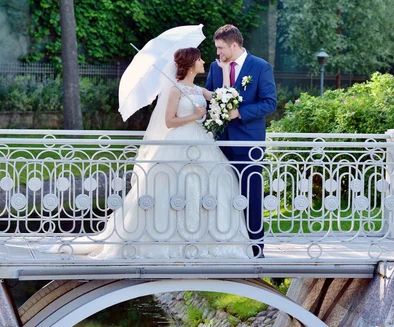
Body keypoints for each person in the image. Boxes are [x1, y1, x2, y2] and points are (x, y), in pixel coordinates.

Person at [44, 47, 251, 260]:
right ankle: (167, 240)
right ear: (190, 65)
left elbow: (221, 97)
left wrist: (226, 71)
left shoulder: (199, 90)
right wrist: (195, 116)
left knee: (206, 186)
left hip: (202, 143)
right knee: (171, 188)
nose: (203, 61)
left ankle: (203, 239)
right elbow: (169, 121)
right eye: (198, 59)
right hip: (180, 142)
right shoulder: (175, 90)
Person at [206, 24, 277, 257]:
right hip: (220, 143)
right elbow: (209, 98)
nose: (218, 53)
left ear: (234, 45)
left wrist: (239, 113)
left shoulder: (260, 67)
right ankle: (227, 246)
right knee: (223, 195)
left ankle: (256, 248)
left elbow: (270, 103)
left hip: (248, 144)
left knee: (251, 195)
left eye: (221, 48)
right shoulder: (215, 69)